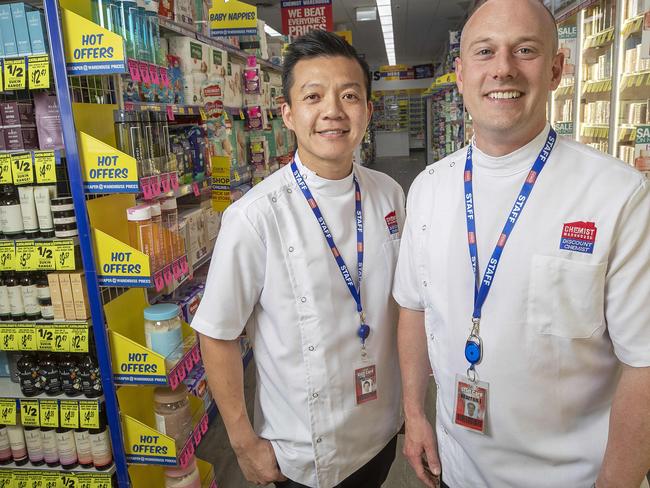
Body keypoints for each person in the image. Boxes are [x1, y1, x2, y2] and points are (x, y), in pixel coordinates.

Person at [393, 0, 650, 487]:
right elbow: (413, 307)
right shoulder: (429, 186)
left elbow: (645, 363)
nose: (503, 68)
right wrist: (415, 414)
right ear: (461, 71)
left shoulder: (618, 196)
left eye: (525, 50)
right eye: (485, 51)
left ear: (555, 70)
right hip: (456, 467)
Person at [192, 30, 404, 488]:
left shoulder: (388, 194)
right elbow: (217, 333)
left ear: (368, 110)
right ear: (287, 114)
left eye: (350, 96)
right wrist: (244, 443)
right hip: (305, 453)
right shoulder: (255, 216)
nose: (333, 111)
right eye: (313, 96)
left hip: (382, 427)